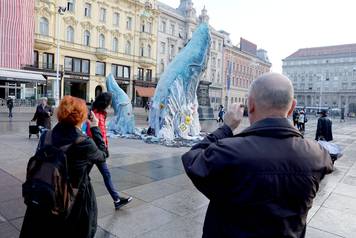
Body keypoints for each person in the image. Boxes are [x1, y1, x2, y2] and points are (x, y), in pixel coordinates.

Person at [182, 73, 333, 238]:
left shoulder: (228, 152)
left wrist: (226, 128)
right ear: (292, 107)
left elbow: (193, 159)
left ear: (251, 105)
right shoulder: (318, 155)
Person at [20, 96, 109, 238]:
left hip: (46, 194)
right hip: (74, 201)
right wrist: (96, 128)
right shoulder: (84, 143)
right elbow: (103, 154)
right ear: (81, 117)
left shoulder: (46, 136)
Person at [86, 92, 132, 209]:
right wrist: (102, 149)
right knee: (93, 175)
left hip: (98, 150)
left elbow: (102, 134)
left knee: (89, 175)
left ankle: (116, 199)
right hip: (95, 151)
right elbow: (93, 133)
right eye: (109, 102)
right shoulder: (94, 114)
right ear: (105, 102)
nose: (111, 104)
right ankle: (116, 199)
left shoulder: (100, 114)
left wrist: (105, 147)